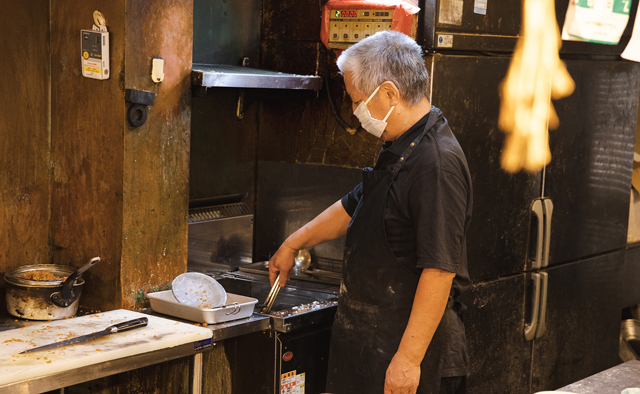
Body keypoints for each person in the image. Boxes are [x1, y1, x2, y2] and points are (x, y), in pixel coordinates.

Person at [268, 30, 472, 394]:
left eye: (358, 100)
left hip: (410, 357)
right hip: (372, 349)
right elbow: (353, 205)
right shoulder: (401, 146)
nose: (354, 110)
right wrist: (293, 242)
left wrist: (408, 360)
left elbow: (440, 270)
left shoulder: (435, 164)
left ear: (390, 93)